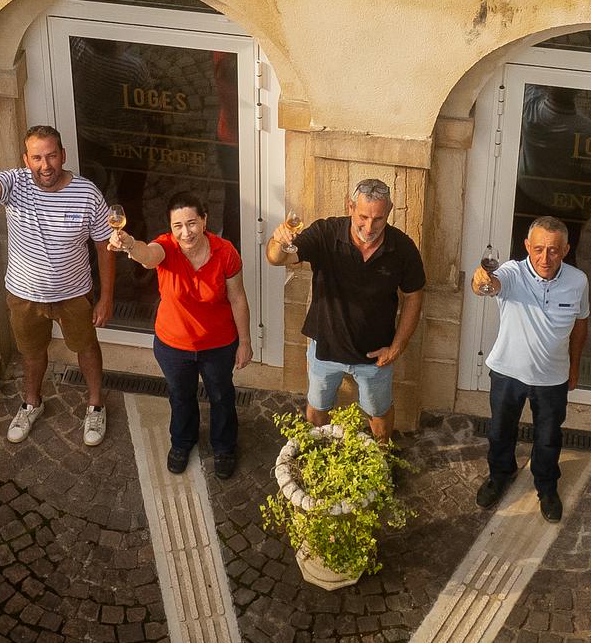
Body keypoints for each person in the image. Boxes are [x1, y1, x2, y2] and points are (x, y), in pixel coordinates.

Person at [0, 126, 116, 446]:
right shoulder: (15, 184)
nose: (45, 165)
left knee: (86, 348)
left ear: (63, 155)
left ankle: (96, 404)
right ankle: (32, 402)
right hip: (24, 294)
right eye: (37, 158)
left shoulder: (87, 194)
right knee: (31, 353)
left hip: (74, 294)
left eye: (51, 156)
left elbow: (104, 246)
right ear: (25, 159)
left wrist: (106, 298)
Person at [265, 181, 427, 445]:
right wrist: (279, 242)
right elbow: (276, 259)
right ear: (350, 207)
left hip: (376, 355)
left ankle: (382, 458)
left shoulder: (403, 248)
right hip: (325, 347)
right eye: (363, 217)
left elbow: (413, 296)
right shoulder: (326, 232)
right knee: (317, 409)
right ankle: (319, 455)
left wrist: (397, 347)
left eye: (378, 219)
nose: (369, 227)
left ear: (389, 212)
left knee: (379, 414)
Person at [110, 195, 247, 477]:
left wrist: (244, 342)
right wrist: (130, 245)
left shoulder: (225, 252)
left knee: (222, 396)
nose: (186, 233)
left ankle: (224, 447)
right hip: (173, 345)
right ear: (170, 228)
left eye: (192, 223)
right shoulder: (166, 247)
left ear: (205, 220)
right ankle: (183, 442)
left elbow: (238, 298)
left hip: (218, 344)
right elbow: (148, 258)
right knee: (180, 396)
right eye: (178, 226)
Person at [469, 216, 588, 522]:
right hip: (507, 373)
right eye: (538, 249)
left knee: (548, 437)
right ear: (526, 247)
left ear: (565, 249)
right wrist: (482, 280)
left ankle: (546, 488)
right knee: (500, 431)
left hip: (552, 379)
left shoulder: (578, 281)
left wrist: (575, 367)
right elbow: (488, 285)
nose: (544, 258)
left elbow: (580, 325)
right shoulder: (511, 271)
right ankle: (500, 476)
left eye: (553, 250)